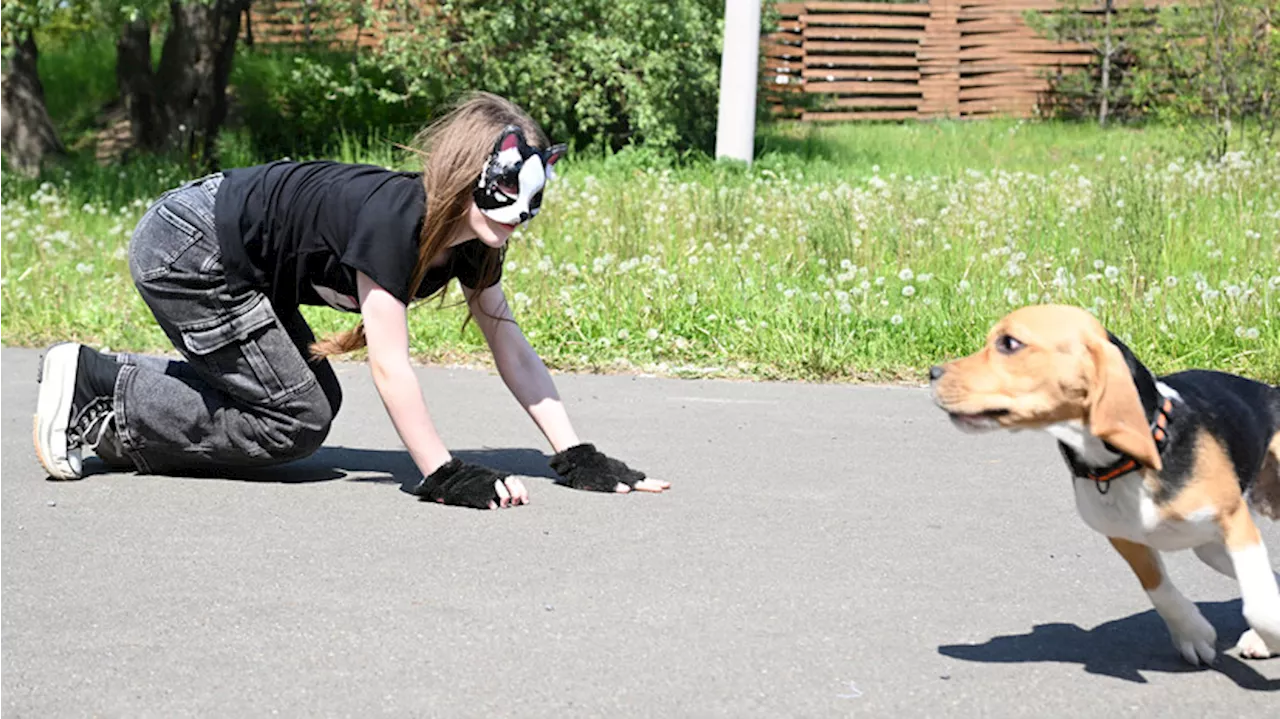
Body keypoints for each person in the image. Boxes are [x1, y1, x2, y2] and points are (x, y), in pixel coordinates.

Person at [32, 91, 669, 509]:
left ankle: (112, 407)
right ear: (467, 175)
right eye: (506, 193)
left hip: (223, 251)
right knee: (298, 416)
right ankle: (98, 386)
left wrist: (573, 453)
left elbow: (508, 340)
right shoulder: (399, 224)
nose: (517, 218)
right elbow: (390, 364)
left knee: (310, 404)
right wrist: (441, 472)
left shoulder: (475, 236)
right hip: (191, 246)